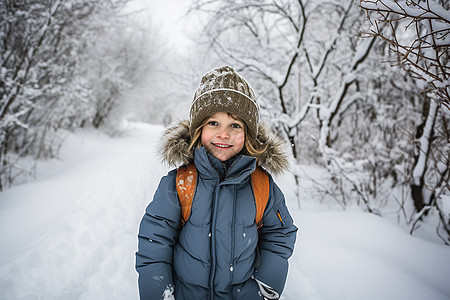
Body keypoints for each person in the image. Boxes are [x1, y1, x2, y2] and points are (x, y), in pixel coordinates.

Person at [135, 66, 297, 299]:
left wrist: (266, 286)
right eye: (213, 123)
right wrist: (158, 292)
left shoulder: (262, 186)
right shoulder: (180, 183)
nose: (224, 134)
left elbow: (280, 234)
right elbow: (154, 242)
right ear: (198, 129)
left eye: (235, 125)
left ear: (248, 134)